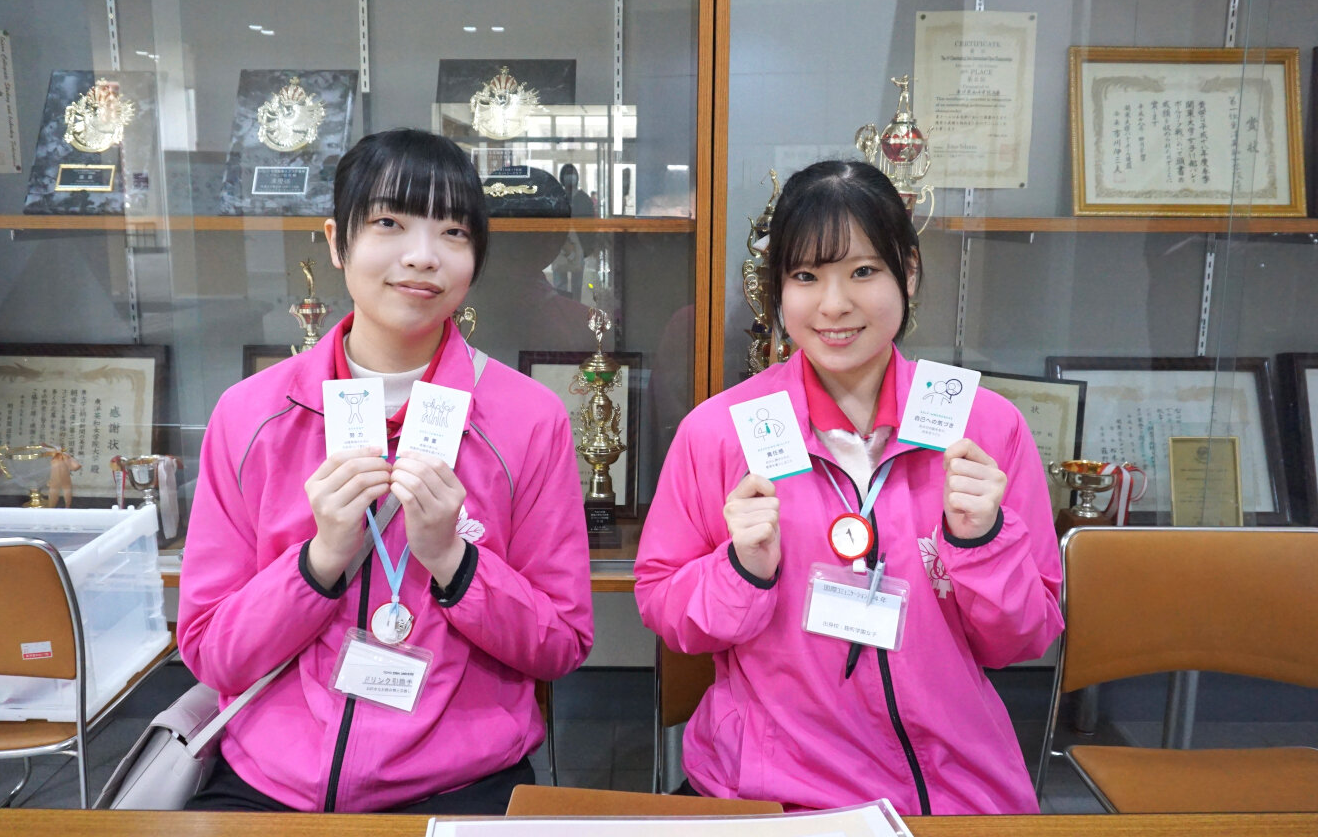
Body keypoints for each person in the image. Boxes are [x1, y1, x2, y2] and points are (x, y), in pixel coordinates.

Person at [177, 128, 594, 814]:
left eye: (453, 232)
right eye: (389, 224)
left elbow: (562, 645)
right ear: (337, 242)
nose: (422, 256)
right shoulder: (250, 414)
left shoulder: (528, 419)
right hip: (268, 786)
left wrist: (454, 561)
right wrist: (318, 561)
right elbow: (209, 652)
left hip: (461, 786)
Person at [634, 159, 1063, 815]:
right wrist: (740, 570)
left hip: (947, 792)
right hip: (773, 794)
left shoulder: (983, 428)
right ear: (777, 288)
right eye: (806, 277)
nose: (833, 305)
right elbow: (666, 608)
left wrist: (982, 542)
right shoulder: (721, 432)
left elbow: (1023, 640)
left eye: (863, 272)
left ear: (908, 272)